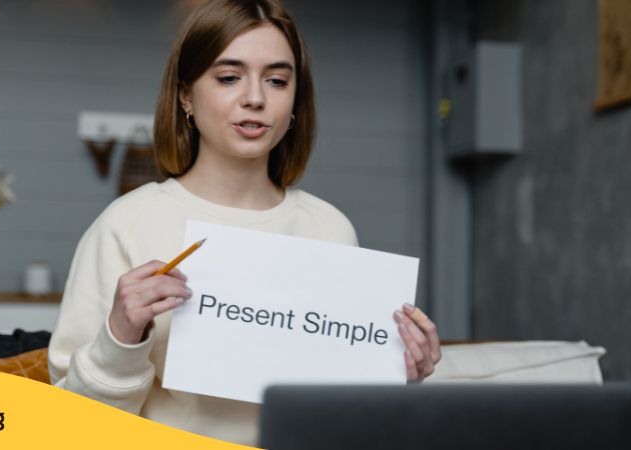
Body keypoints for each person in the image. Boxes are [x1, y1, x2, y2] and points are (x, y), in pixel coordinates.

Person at [48, 0, 441, 445]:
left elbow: (343, 416)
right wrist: (119, 336)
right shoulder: (126, 225)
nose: (255, 97)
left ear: (295, 102)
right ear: (185, 96)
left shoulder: (331, 230)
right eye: (229, 77)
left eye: (276, 80)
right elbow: (72, 427)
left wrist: (396, 378)